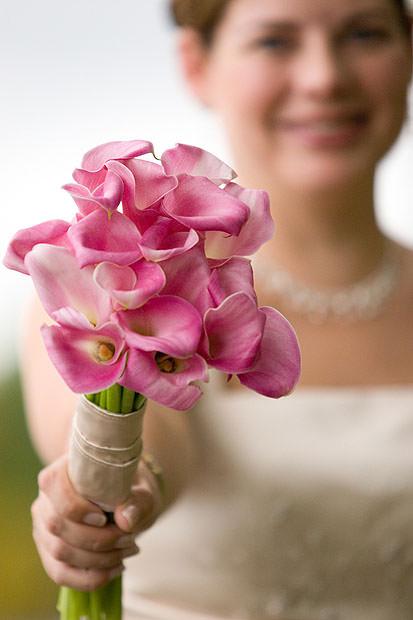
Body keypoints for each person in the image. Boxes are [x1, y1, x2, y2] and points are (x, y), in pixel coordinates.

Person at [26, 0, 413, 618]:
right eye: (274, 42)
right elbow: (142, 452)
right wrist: (108, 496)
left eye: (364, 33)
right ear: (196, 64)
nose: (324, 77)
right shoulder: (86, 292)